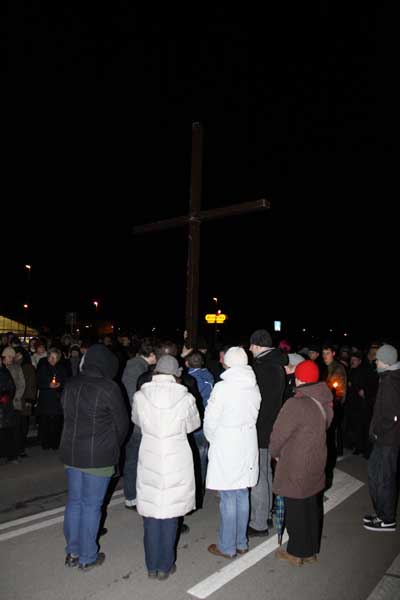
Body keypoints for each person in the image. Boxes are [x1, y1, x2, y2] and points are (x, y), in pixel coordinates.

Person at [60, 344, 129, 570]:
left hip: (72, 453)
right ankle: (88, 556)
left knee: (74, 502)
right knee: (91, 505)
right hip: (98, 456)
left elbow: (66, 415)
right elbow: (122, 424)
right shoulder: (108, 388)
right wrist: (112, 444)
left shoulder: (71, 384)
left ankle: (72, 552)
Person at [132, 355, 200, 580]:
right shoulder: (186, 398)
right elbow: (193, 425)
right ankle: (166, 565)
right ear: (175, 374)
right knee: (171, 512)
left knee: (151, 512)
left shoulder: (140, 396)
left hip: (150, 455)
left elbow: (137, 421)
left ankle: (151, 566)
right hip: (176, 457)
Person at [270, 360, 333, 566]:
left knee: (295, 506)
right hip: (317, 458)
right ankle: (310, 550)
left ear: (298, 379)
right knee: (311, 505)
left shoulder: (295, 404)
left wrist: (274, 452)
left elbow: (278, 435)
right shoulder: (325, 400)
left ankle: (296, 553)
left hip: (296, 462)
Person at [204, 347, 261, 559]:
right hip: (247, 441)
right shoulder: (253, 385)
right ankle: (241, 542)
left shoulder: (222, 387)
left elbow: (210, 420)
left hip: (227, 443)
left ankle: (227, 546)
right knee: (242, 492)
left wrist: (214, 438)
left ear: (228, 362)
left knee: (228, 494)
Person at [248, 329, 287, 536]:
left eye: (251, 345)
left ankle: (259, 522)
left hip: (260, 427)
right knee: (266, 471)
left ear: (257, 345)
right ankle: (268, 513)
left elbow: (257, 402)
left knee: (259, 474)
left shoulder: (262, 368)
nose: (249, 349)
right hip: (272, 425)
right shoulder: (276, 365)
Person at [364, 344, 400, 532]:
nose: (375, 361)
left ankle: (387, 519)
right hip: (384, 439)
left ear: (386, 361)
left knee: (384, 478)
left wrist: (378, 431)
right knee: (376, 475)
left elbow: (393, 416)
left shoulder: (391, 381)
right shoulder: (387, 377)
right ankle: (381, 514)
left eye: (378, 359)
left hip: (388, 440)